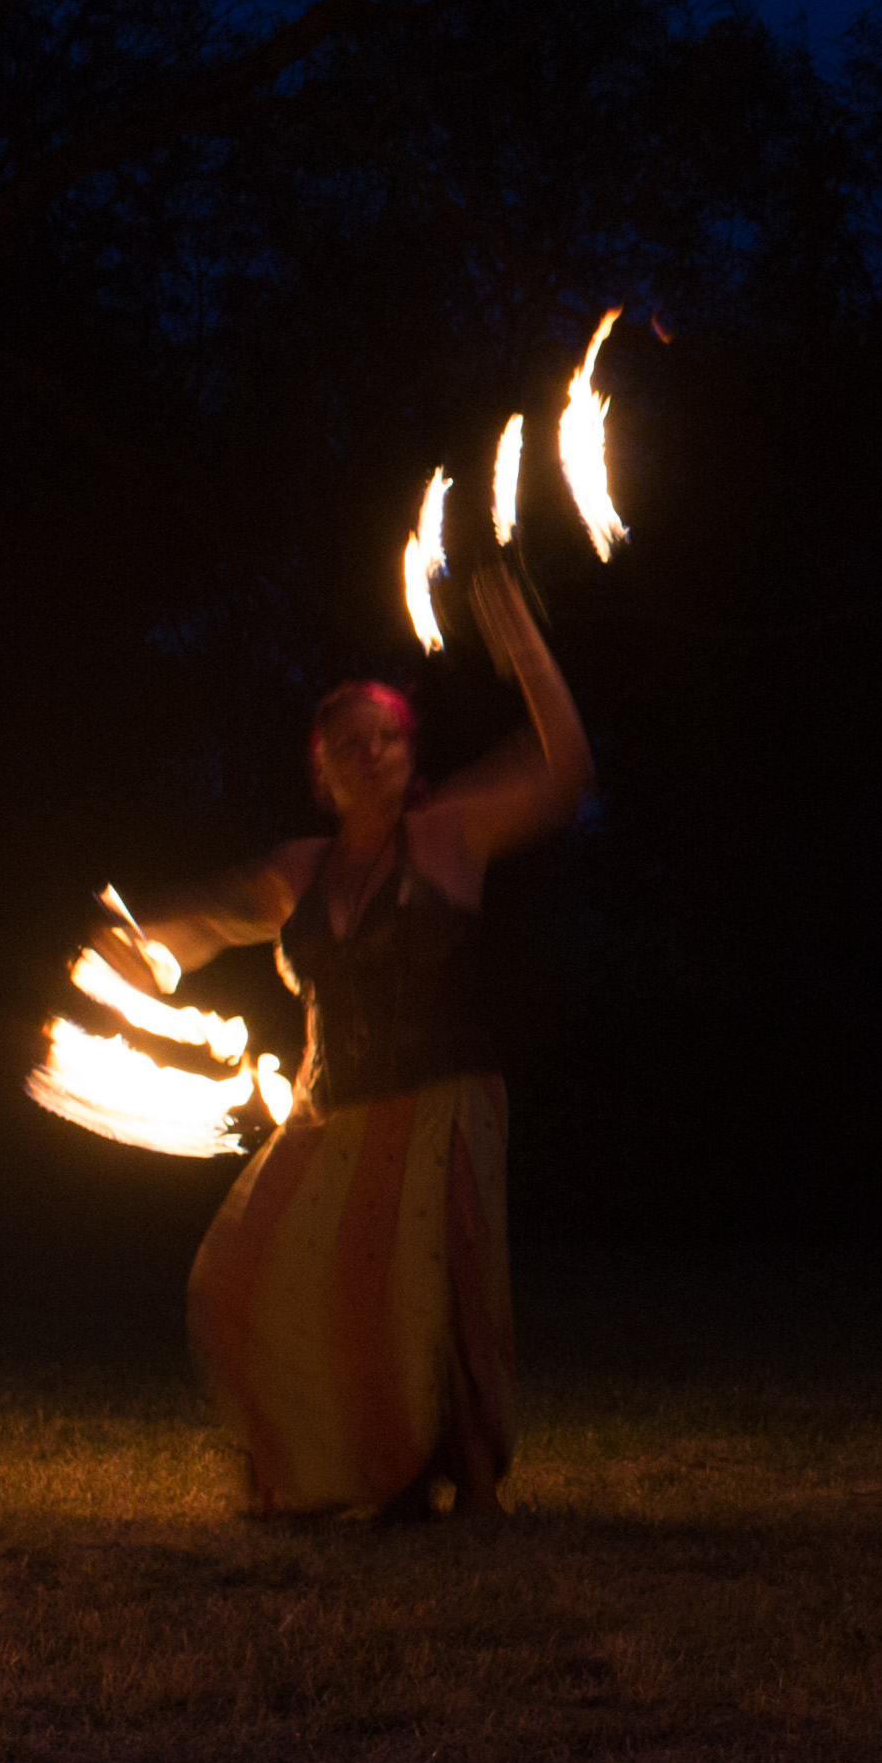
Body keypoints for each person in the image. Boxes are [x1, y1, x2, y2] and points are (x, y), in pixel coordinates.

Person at [104, 564, 593, 1517]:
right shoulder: (300, 868)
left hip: (444, 1096)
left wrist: (524, 649)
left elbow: (564, 775)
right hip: (331, 1109)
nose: (373, 754)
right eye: (350, 743)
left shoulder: (449, 836)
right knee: (243, 1275)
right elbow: (207, 920)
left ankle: (474, 1490)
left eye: (388, 738)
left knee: (440, 1294)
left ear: (409, 755)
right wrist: (135, 946)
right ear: (321, 772)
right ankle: (318, 1464)